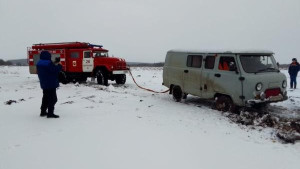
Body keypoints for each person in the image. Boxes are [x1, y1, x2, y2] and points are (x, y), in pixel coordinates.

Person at [36, 51, 62, 118]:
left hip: (44, 83)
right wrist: (59, 64)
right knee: (53, 99)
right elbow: (55, 70)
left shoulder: (39, 63)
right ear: (48, 56)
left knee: (45, 98)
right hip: (51, 84)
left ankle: (43, 111)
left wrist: (54, 63)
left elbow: (48, 70)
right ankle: (50, 113)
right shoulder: (49, 63)